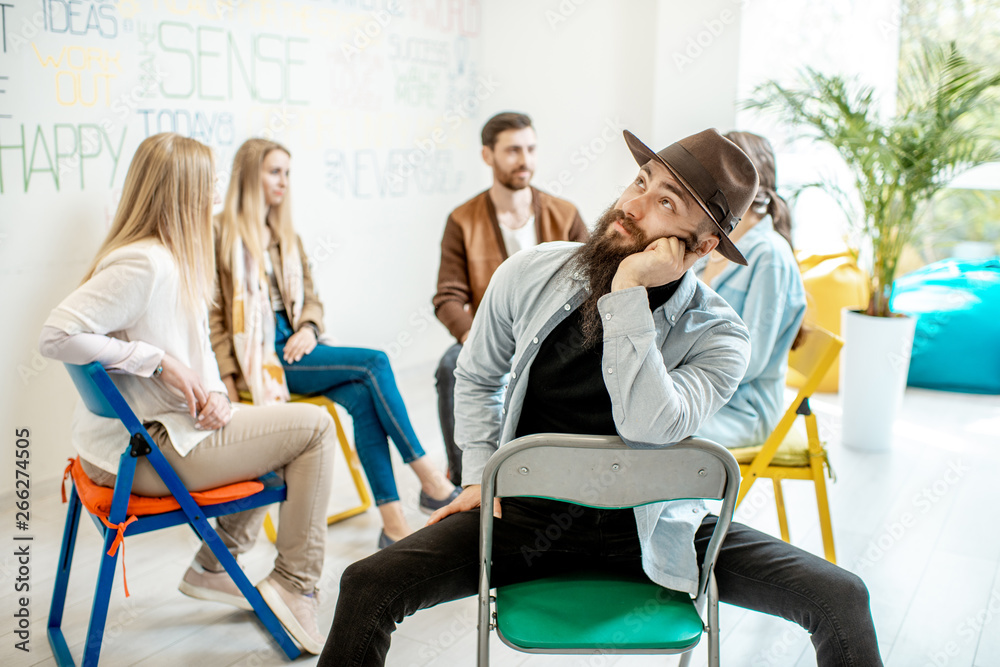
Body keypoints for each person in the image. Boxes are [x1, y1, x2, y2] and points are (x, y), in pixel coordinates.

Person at [320, 129, 882, 666]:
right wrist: (476, 476)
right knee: (366, 585)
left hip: (657, 528)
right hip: (526, 520)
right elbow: (476, 377)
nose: (633, 205)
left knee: (841, 598)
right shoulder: (530, 273)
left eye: (666, 203)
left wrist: (627, 293)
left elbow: (649, 425)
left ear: (703, 245)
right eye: (641, 181)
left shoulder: (721, 336)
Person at [39, 133, 334, 654]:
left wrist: (217, 392)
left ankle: (216, 563)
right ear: (182, 190)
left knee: (281, 429)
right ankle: (292, 582)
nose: (218, 187)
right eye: (209, 178)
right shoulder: (146, 263)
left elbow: (193, 350)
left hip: (146, 442)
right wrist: (157, 362)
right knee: (315, 430)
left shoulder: (168, 259)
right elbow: (55, 335)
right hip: (149, 454)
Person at [210, 138, 458, 550]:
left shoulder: (285, 234)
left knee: (362, 396)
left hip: (296, 343)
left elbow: (311, 299)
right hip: (260, 355)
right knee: (374, 363)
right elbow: (216, 316)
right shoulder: (219, 233)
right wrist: (229, 377)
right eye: (274, 172)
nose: (283, 182)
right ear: (249, 174)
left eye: (287, 173)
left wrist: (308, 327)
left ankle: (393, 523)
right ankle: (430, 479)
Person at [434, 111, 588, 483]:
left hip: (555, 336)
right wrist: (473, 338)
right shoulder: (463, 220)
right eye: (513, 150)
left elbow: (592, 283)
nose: (525, 161)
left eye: (531, 149)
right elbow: (447, 296)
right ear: (488, 155)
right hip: (491, 335)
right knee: (450, 367)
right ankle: (468, 480)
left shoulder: (563, 213)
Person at [694, 130, 807, 448]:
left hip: (743, 412)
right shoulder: (717, 243)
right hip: (707, 395)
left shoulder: (769, 255)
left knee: (645, 426)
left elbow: (751, 360)